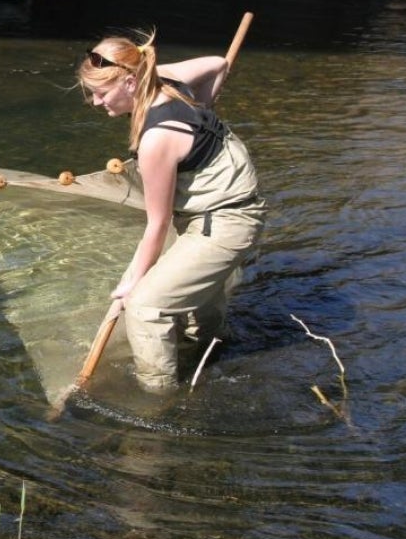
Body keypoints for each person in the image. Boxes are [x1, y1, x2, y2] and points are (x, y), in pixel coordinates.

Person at [76, 29, 267, 392]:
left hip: (225, 221)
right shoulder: (167, 79)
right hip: (225, 208)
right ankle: (212, 359)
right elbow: (217, 63)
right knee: (195, 308)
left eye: (101, 93)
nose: (96, 102)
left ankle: (159, 396)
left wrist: (131, 284)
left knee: (146, 307)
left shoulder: (157, 138)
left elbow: (158, 224)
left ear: (131, 82)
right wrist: (202, 106)